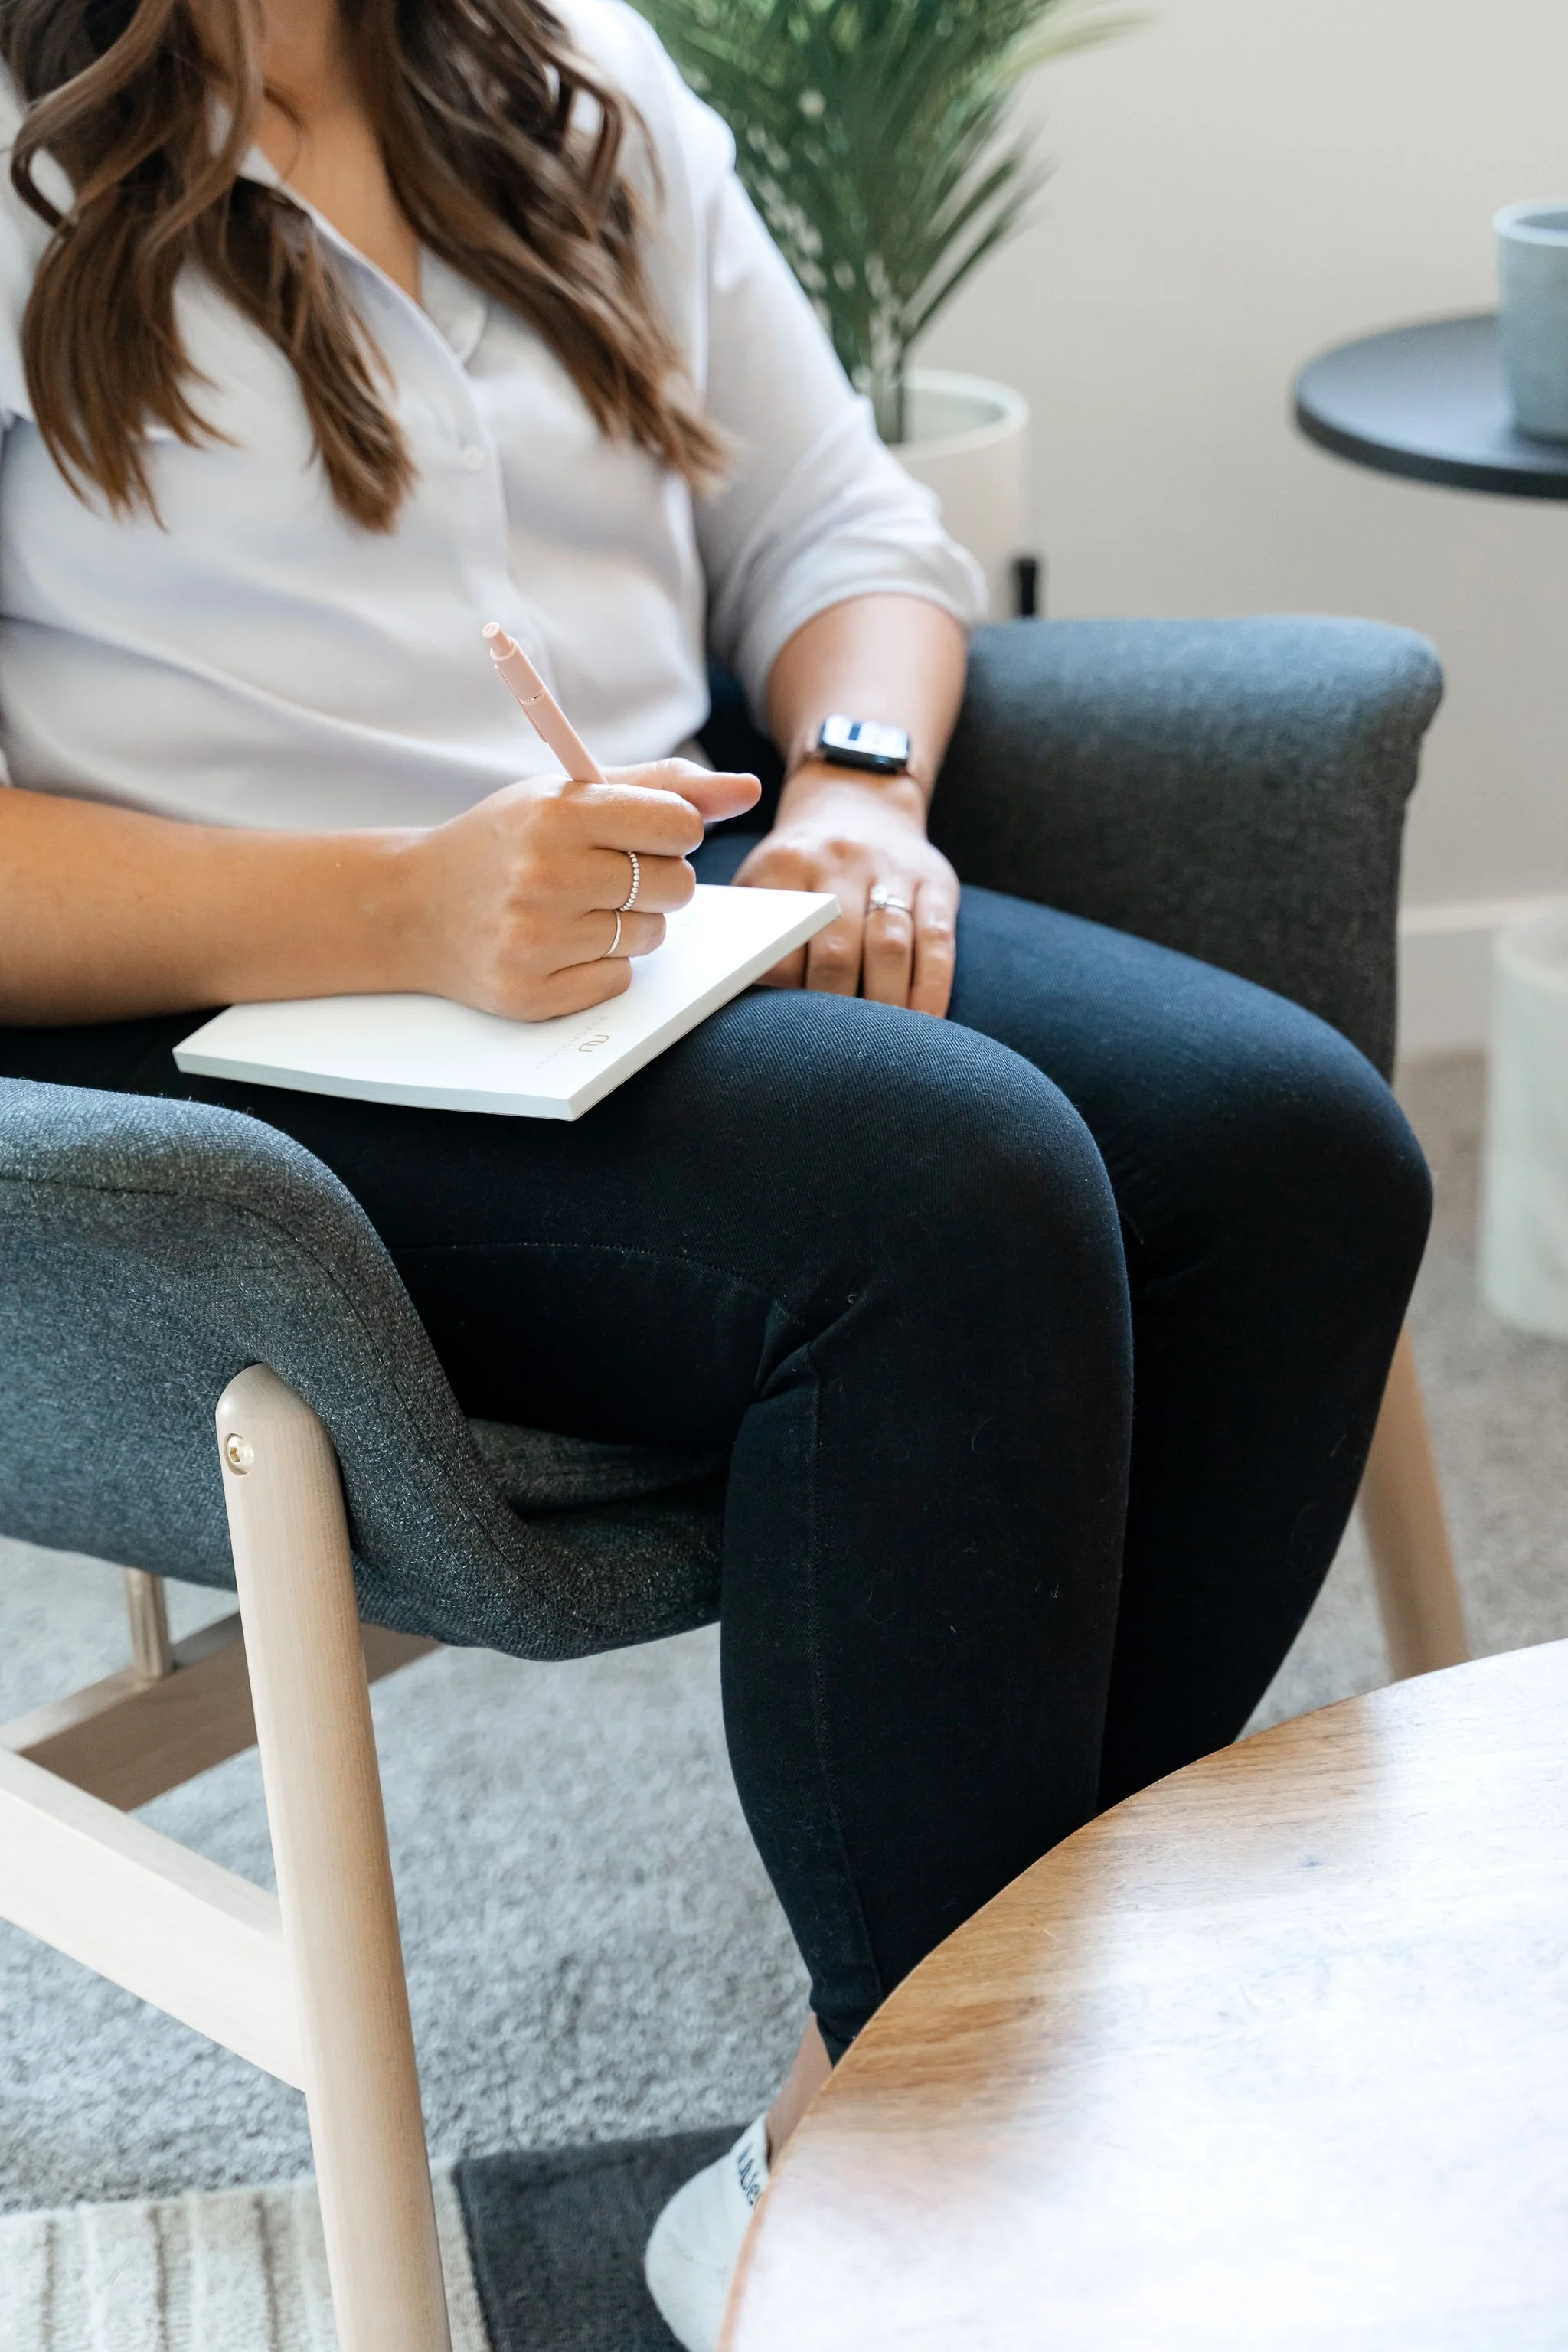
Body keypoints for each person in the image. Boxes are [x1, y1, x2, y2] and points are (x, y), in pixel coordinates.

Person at [0, 0, 1431, 2342]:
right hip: (234, 1011)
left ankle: (854, 2142)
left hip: (668, 896)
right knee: (939, 1196)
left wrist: (856, 790)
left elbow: (841, 527)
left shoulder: (569, 63)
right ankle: (971, 2216)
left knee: (1290, 1155)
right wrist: (396, 907)